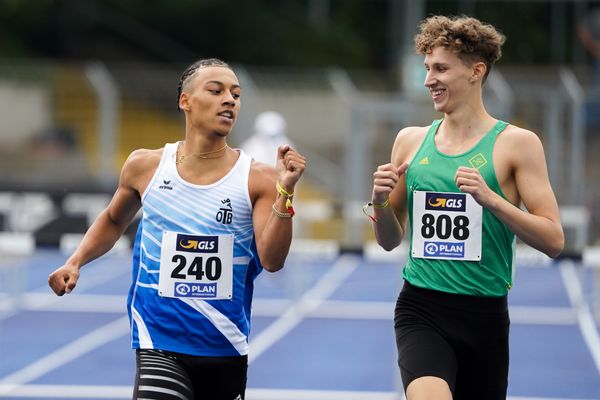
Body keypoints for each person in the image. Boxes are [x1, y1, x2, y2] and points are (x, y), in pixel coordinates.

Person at [48, 58, 306, 400]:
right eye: (215, 91)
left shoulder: (258, 177)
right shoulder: (145, 166)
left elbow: (272, 260)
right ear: (185, 101)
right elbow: (113, 219)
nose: (229, 100)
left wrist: (285, 192)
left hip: (224, 343)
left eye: (235, 94)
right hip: (158, 338)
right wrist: (75, 261)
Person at [367, 16, 564, 400]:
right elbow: (389, 240)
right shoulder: (409, 141)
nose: (429, 80)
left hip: (484, 316)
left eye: (441, 68)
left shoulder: (517, 144)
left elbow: (554, 239)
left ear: (477, 71)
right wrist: (377, 202)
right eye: (427, 69)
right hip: (420, 307)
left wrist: (492, 200)